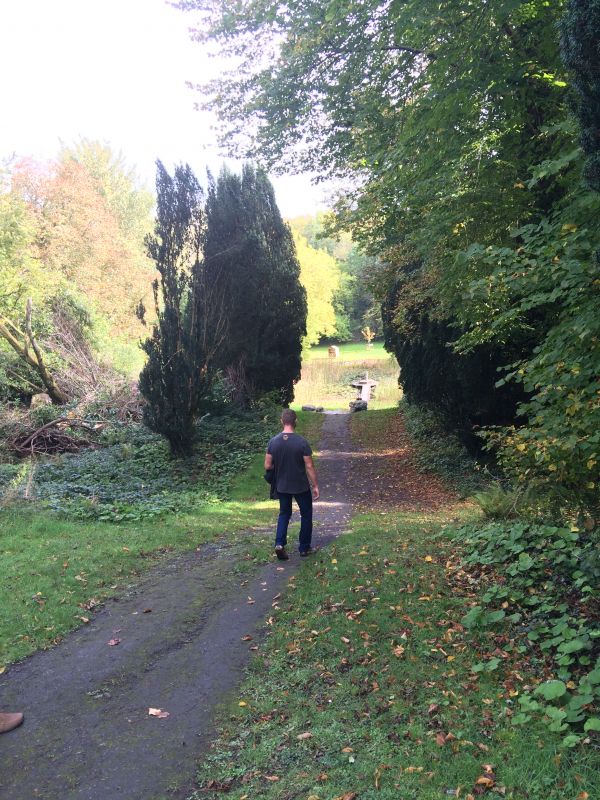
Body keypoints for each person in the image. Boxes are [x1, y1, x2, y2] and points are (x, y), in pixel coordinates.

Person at [265, 409, 319, 560]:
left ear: (282, 421)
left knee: (284, 513)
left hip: (282, 485)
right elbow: (309, 466)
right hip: (300, 485)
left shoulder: (273, 442)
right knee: (306, 514)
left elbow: (267, 465)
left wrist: (279, 466)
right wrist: (315, 485)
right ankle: (304, 548)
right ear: (296, 421)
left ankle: (279, 544)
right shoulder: (302, 442)